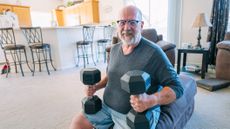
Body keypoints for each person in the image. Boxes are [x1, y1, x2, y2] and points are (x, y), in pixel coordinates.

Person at [69, 5, 183, 129]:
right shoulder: (114, 49)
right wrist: (97, 87)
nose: (126, 27)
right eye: (122, 22)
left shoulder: (154, 53)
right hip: (105, 108)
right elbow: (111, 75)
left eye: (132, 22)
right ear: (117, 25)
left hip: (134, 116)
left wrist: (151, 100)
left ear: (141, 25)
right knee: (77, 124)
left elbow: (177, 87)